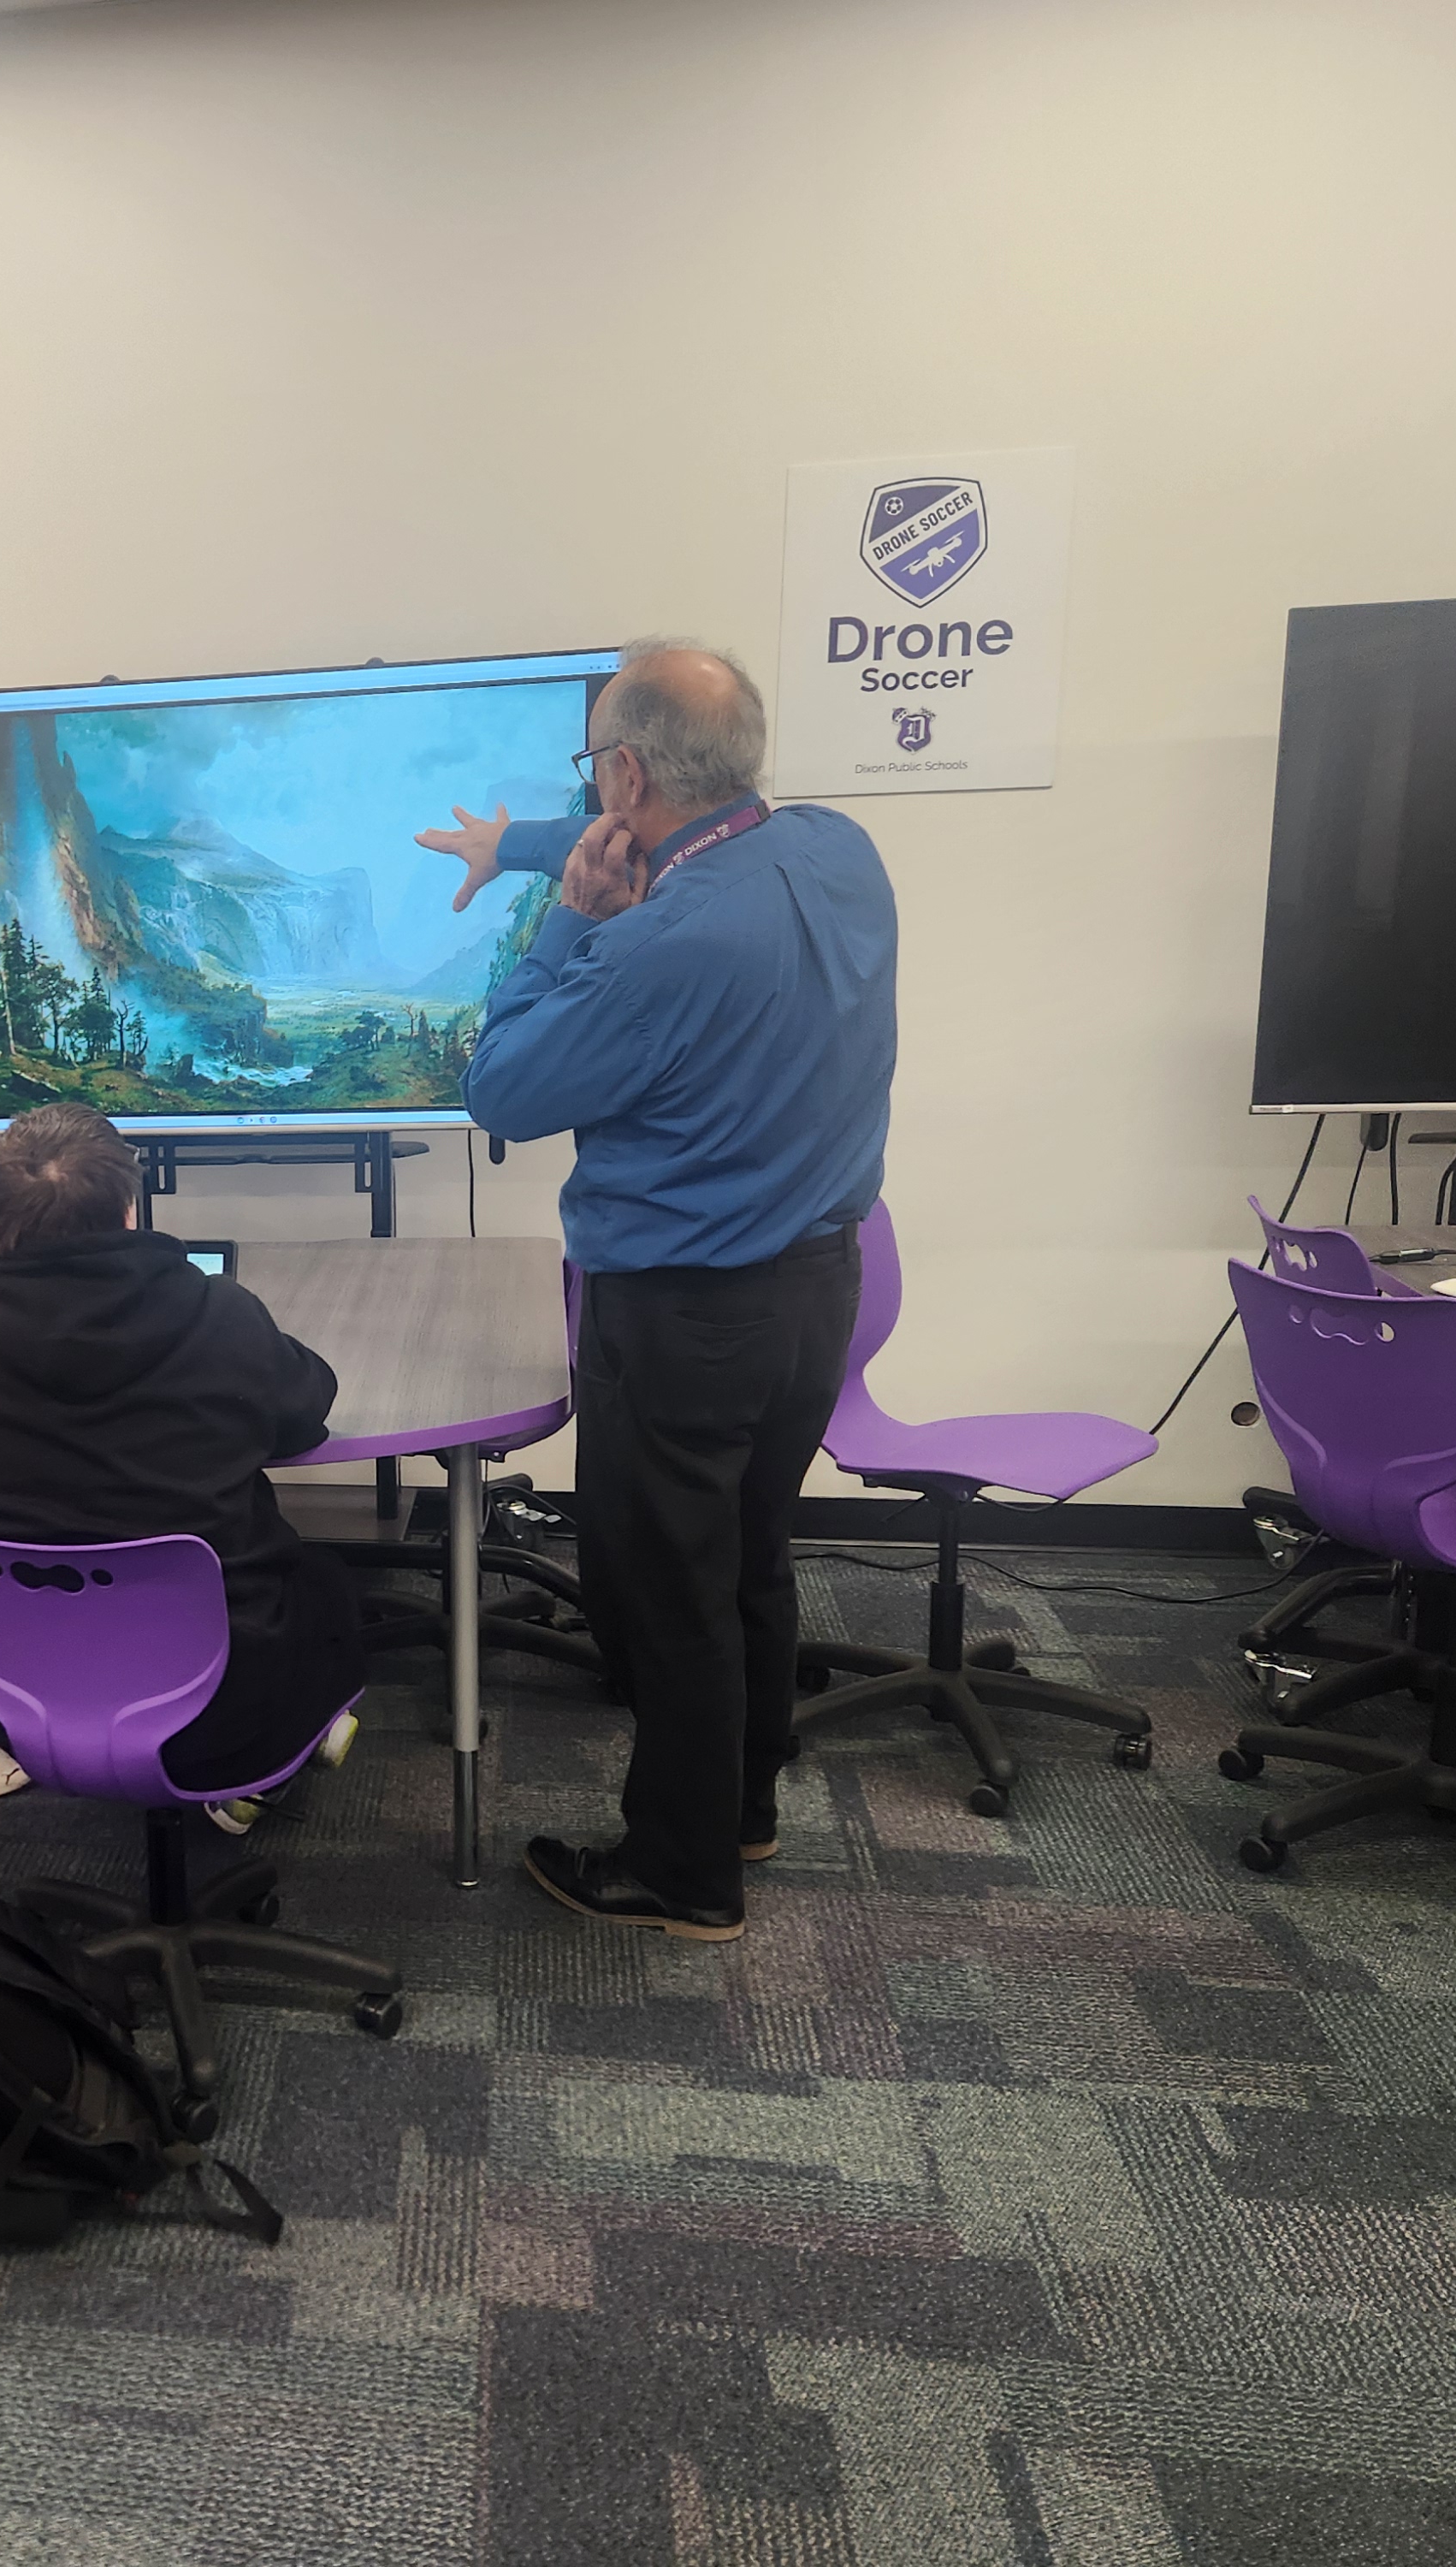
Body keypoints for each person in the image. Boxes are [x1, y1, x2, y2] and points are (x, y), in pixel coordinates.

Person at [429, 638, 896, 1944]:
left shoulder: (659, 949)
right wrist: (526, 841)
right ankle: (741, 1804)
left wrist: (562, 913)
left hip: (689, 1315)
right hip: (816, 1292)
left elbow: (502, 1093)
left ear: (625, 771)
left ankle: (685, 1872)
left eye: (596, 774)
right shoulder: (839, 853)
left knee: (666, 1591)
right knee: (749, 1556)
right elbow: (652, 839)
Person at [0, 1104, 360, 1823]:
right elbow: (302, 1414)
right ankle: (247, 1777)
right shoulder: (217, 1313)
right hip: (219, 1705)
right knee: (333, 1588)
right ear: (129, 1209)